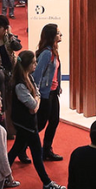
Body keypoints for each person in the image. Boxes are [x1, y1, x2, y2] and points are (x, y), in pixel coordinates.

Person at [7, 51, 66, 189]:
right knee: (37, 153)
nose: (36, 65)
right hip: (25, 123)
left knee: (17, 148)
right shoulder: (20, 84)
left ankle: (3, 175)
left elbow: (37, 95)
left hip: (27, 122)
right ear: (27, 65)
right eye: (34, 62)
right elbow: (33, 105)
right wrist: (36, 101)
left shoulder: (28, 78)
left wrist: (36, 100)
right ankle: (46, 183)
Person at [33, 24, 64, 161]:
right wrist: (36, 93)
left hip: (53, 93)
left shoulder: (53, 51)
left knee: (54, 121)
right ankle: (23, 147)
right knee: (40, 124)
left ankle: (46, 150)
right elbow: (37, 75)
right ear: (52, 36)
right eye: (58, 33)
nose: (60, 34)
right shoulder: (46, 53)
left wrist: (58, 86)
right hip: (45, 94)